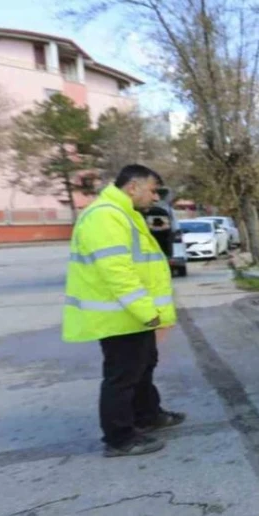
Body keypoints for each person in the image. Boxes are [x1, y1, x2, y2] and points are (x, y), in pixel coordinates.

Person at [63, 164, 185, 458]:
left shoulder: (123, 214)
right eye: (153, 189)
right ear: (133, 186)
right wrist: (145, 310)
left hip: (130, 314)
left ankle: (147, 415)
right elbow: (117, 271)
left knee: (143, 366)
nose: (155, 197)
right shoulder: (105, 216)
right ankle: (119, 438)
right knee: (122, 376)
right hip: (120, 314)